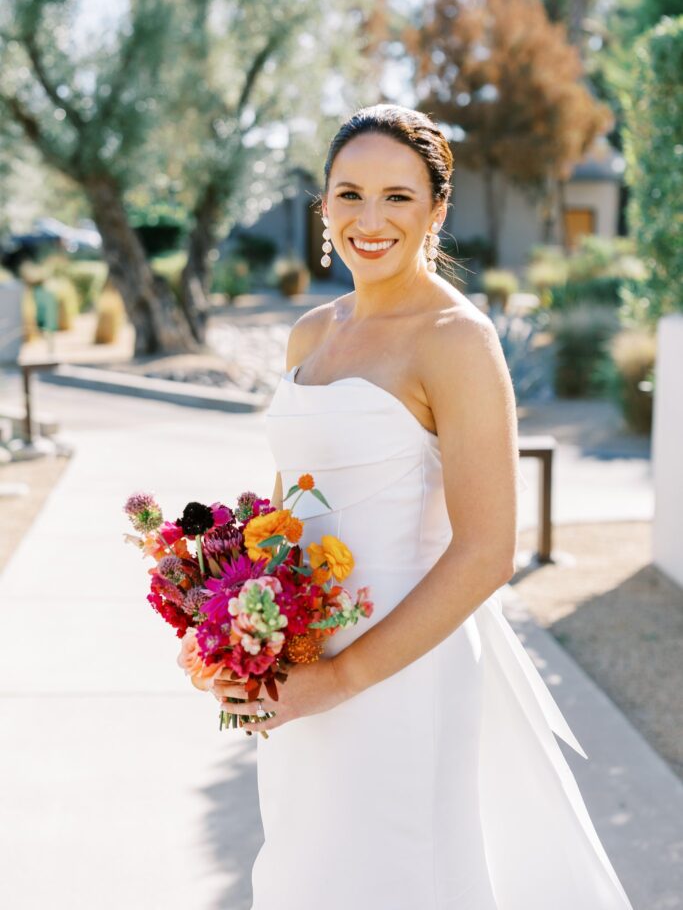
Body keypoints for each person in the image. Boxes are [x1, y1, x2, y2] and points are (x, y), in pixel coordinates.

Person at [211, 104, 635, 909]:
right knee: (304, 870)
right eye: (349, 194)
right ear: (324, 207)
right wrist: (237, 643)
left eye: (398, 198)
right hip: (297, 668)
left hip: (399, 671)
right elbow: (280, 526)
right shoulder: (309, 335)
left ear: (436, 209)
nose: (370, 221)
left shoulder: (456, 339)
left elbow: (486, 552)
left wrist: (338, 681)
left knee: (394, 875)